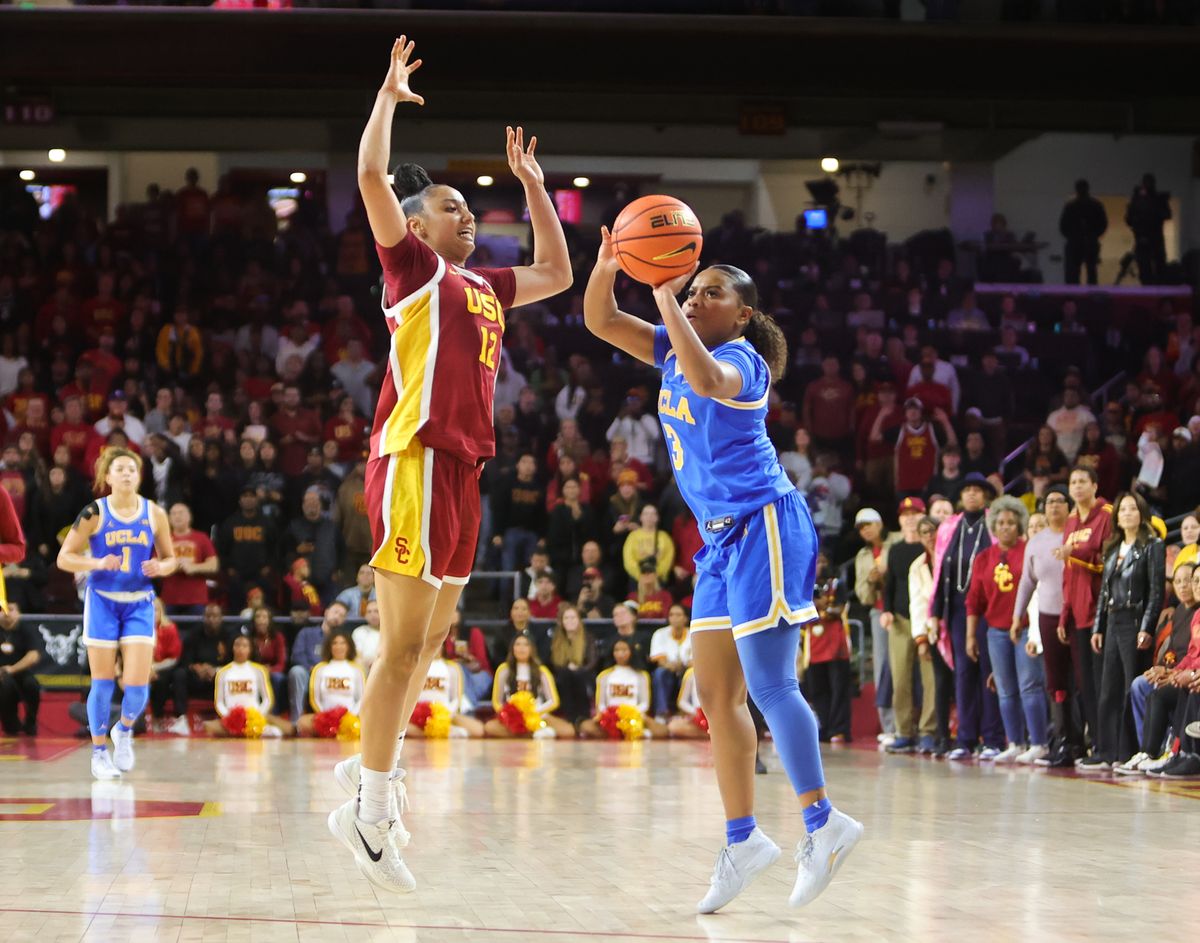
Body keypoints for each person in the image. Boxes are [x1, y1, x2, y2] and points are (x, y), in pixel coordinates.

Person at [329, 37, 573, 894]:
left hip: (466, 470)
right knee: (400, 646)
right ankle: (368, 807)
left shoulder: (484, 286)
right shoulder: (413, 269)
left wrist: (536, 189)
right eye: (449, 205)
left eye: (472, 206)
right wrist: (388, 97)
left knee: (428, 642)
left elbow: (556, 269)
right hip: (413, 461)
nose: (466, 214)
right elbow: (368, 177)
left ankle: (367, 771)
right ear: (418, 223)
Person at [585, 242, 861, 915]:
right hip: (716, 541)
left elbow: (708, 383)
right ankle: (744, 839)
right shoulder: (671, 346)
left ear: (743, 314)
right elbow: (599, 320)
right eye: (693, 290)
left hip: (765, 521)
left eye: (712, 292)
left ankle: (824, 824)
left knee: (770, 684)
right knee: (714, 692)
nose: (696, 297)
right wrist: (609, 263)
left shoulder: (745, 361)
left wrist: (662, 295)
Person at [57, 447, 177, 780]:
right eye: (119, 469)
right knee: (103, 681)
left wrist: (160, 566)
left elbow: (171, 559)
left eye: (131, 469)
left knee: (137, 686)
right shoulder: (93, 512)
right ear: (107, 477)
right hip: (102, 602)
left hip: (139, 601)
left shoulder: (154, 513)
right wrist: (96, 562)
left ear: (139, 477)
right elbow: (64, 558)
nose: (126, 473)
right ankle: (98, 753)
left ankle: (122, 730)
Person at [1080, 491, 1165, 772]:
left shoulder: (1152, 545)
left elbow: (1155, 592)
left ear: (1141, 513)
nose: (1127, 513)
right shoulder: (1113, 547)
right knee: (1108, 690)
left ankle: (1131, 750)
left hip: (1134, 619)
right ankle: (1107, 750)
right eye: (1122, 510)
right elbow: (1104, 593)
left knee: (1131, 685)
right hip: (1113, 620)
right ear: (1116, 516)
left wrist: (1146, 627)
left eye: (1132, 508)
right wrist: (1097, 627)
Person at [966, 497, 1045, 765]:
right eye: (1000, 523)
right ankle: (1014, 742)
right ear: (993, 526)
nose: (1006, 527)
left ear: (1020, 525)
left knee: (1030, 686)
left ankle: (1038, 743)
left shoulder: (1028, 550)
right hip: (995, 631)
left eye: (1012, 523)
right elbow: (974, 600)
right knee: (1005, 689)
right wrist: (970, 635)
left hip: (1024, 629)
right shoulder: (983, 558)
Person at [933, 473, 1004, 761]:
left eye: (978, 490)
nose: (972, 495)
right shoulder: (950, 527)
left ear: (986, 496)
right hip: (958, 609)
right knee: (963, 673)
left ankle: (993, 738)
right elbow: (940, 567)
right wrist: (935, 613)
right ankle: (964, 738)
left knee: (989, 671)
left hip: (990, 609)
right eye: (967, 490)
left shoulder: (994, 524)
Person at [1013, 487, 1076, 767]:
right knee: (1056, 682)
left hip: (1077, 616)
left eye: (1059, 501)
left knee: (1081, 681)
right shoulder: (1036, 542)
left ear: (1068, 506)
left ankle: (1085, 740)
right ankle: (1062, 740)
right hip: (1047, 617)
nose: (1053, 507)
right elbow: (1027, 581)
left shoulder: (1076, 534)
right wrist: (1017, 617)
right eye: (1049, 502)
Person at [1115, 561, 1197, 774]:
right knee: (1140, 685)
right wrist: (1166, 670)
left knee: (1160, 695)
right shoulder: (1181, 613)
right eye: (1178, 581)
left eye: (1191, 581)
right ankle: (1148, 749)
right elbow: (1188, 654)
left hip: (1190, 675)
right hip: (1182, 670)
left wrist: (1179, 674)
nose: (1186, 586)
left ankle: (1168, 752)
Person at [1055, 466, 1113, 755]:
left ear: (1094, 485)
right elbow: (1068, 574)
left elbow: (1107, 561)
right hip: (1077, 613)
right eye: (1073, 482)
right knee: (1084, 685)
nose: (1077, 487)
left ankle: (1108, 746)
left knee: (1102, 683)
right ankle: (1095, 746)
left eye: (1082, 482)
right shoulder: (1070, 521)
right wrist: (1064, 612)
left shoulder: (1107, 516)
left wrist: (1074, 553)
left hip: (1101, 611)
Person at [881, 497, 935, 754]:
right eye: (906, 514)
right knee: (900, 678)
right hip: (901, 620)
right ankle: (903, 731)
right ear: (900, 520)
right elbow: (889, 584)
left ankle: (929, 730)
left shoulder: (929, 549)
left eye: (915, 514)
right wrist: (887, 611)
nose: (910, 518)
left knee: (930, 679)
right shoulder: (896, 549)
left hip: (925, 620)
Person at [853, 508, 898, 742]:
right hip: (878, 611)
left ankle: (906, 725)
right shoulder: (862, 556)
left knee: (903, 668)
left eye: (869, 524)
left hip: (901, 610)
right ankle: (888, 726)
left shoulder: (897, 540)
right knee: (882, 668)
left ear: (880, 523)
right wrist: (871, 581)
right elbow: (862, 594)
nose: (866, 530)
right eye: (861, 527)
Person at [485, 633, 574, 739]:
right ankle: (533, 734)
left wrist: (535, 712)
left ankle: (527, 733)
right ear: (512, 648)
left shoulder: (541, 670)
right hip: (513, 716)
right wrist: (508, 714)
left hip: (538, 714)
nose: (521, 648)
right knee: (489, 727)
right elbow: (497, 701)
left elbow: (554, 701)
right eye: (518, 644)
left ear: (531, 649)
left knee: (569, 731)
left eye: (526, 645)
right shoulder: (503, 670)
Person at [803, 553, 852, 744]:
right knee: (817, 689)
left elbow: (838, 608)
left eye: (822, 562)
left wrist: (820, 607)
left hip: (836, 643)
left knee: (839, 687)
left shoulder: (836, 584)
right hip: (814, 644)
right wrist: (817, 605)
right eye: (815, 562)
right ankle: (823, 727)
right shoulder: (804, 585)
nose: (819, 566)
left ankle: (839, 729)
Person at [204, 635, 294, 738]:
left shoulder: (259, 671)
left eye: (244, 646)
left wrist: (256, 716)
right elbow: (219, 702)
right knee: (208, 726)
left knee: (289, 729)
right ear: (232, 648)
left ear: (250, 649)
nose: (240, 649)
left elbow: (267, 699)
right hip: (231, 718)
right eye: (237, 645)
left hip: (255, 716)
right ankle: (250, 732)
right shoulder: (222, 672)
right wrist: (230, 717)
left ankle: (251, 730)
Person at [579, 637, 667, 739]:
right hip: (610, 717)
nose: (620, 654)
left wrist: (630, 713)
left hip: (634, 716)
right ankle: (632, 734)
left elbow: (644, 704)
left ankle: (633, 732)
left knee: (663, 730)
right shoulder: (604, 676)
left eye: (624, 650)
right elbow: (601, 704)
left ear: (632, 651)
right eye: (617, 650)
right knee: (585, 726)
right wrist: (611, 715)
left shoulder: (642, 675)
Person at [297, 632, 365, 737]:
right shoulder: (320, 669)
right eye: (335, 643)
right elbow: (315, 698)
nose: (339, 647)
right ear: (329, 646)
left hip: (350, 717)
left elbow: (362, 698)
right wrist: (326, 717)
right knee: (302, 722)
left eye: (343, 643)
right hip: (325, 717)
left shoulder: (357, 670)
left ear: (349, 646)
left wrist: (350, 716)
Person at [408, 652, 485, 738]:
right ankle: (437, 732)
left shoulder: (452, 668)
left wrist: (444, 714)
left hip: (444, 714)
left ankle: (434, 731)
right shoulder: (410, 666)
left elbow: (456, 700)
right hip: (414, 715)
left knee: (478, 730)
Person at [547, 603, 597, 725]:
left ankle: (583, 716)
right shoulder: (556, 640)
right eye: (566, 618)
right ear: (562, 622)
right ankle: (570, 717)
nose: (570, 621)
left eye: (573, 618)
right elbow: (553, 663)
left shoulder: (588, 638)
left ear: (579, 620)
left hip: (584, 674)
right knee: (565, 675)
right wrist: (567, 669)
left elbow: (592, 661)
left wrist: (578, 669)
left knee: (578, 675)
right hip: (563, 675)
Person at [0, 602, 40, 736]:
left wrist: (12, 669)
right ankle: (10, 722)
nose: (6, 614)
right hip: (2, 677)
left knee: (32, 684)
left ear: (18, 613)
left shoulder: (25, 629)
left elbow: (33, 655)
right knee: (6, 684)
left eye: (10, 610)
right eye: (2, 610)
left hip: (20, 672)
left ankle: (31, 721)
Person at [1059, 178, 1108, 285]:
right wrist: (1093, 236)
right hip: (1087, 241)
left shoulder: (1071, 206)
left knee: (1074, 273)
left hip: (1077, 242)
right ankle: (1090, 296)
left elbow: (1063, 226)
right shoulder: (1095, 205)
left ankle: (1074, 296)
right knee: (1090, 272)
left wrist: (1073, 237)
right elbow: (1103, 224)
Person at [649, 603, 692, 722]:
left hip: (686, 670)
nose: (674, 618)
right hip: (668, 670)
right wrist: (672, 666)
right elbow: (659, 659)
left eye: (678, 615)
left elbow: (695, 660)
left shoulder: (693, 633)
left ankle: (690, 712)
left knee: (693, 674)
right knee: (659, 673)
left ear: (685, 618)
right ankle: (661, 713)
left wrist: (682, 666)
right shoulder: (660, 633)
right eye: (671, 615)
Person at [668, 665, 708, 740]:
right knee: (673, 726)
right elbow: (681, 701)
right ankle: (708, 734)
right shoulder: (691, 673)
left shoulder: (720, 670)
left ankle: (713, 733)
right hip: (697, 714)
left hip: (717, 715)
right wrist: (694, 711)